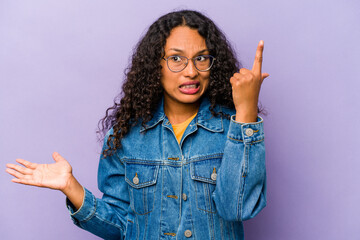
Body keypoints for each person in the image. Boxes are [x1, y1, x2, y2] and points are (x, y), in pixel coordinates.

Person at [6, 10, 269, 240]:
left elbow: (238, 209)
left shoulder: (232, 129)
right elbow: (120, 227)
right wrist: (71, 187)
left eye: (201, 58)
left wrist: (245, 111)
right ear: (156, 65)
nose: (191, 71)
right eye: (176, 59)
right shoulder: (126, 135)